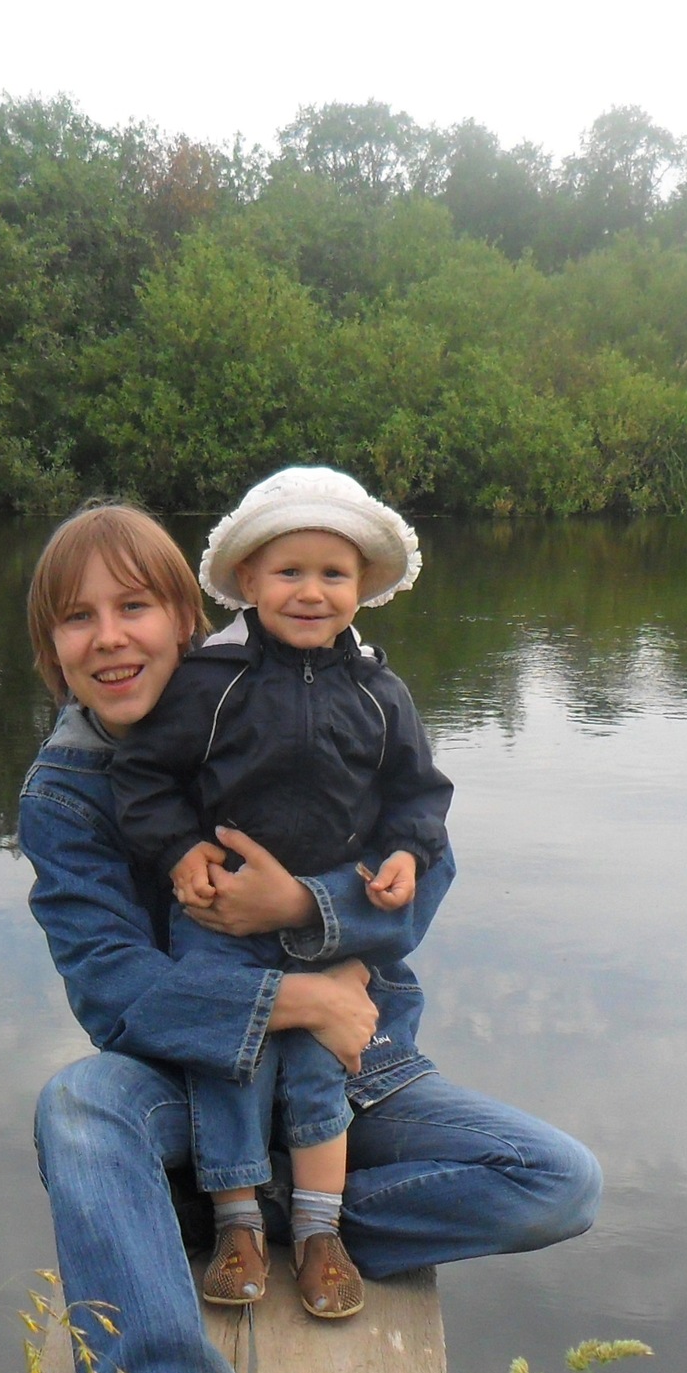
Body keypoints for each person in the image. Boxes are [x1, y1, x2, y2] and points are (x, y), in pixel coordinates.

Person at [19, 497, 601, 1373]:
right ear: (50, 648)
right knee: (78, 1106)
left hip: (349, 1070)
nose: (108, 639)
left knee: (557, 1182)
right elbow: (114, 992)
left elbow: (422, 863)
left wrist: (308, 907)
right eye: (75, 619)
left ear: (188, 616)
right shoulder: (64, 791)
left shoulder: (308, 699)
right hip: (190, 1080)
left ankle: (260, 1213)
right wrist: (301, 1000)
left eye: (134, 607)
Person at [109, 467, 449, 1321]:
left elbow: (418, 795)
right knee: (232, 1053)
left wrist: (406, 852)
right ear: (248, 579)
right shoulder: (208, 683)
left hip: (327, 929)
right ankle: (238, 1224)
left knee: (318, 1062)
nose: (310, 592)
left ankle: (320, 1228)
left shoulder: (380, 694)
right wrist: (180, 847)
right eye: (289, 572)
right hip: (220, 918)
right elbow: (145, 780)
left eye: (333, 574)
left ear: (362, 587)